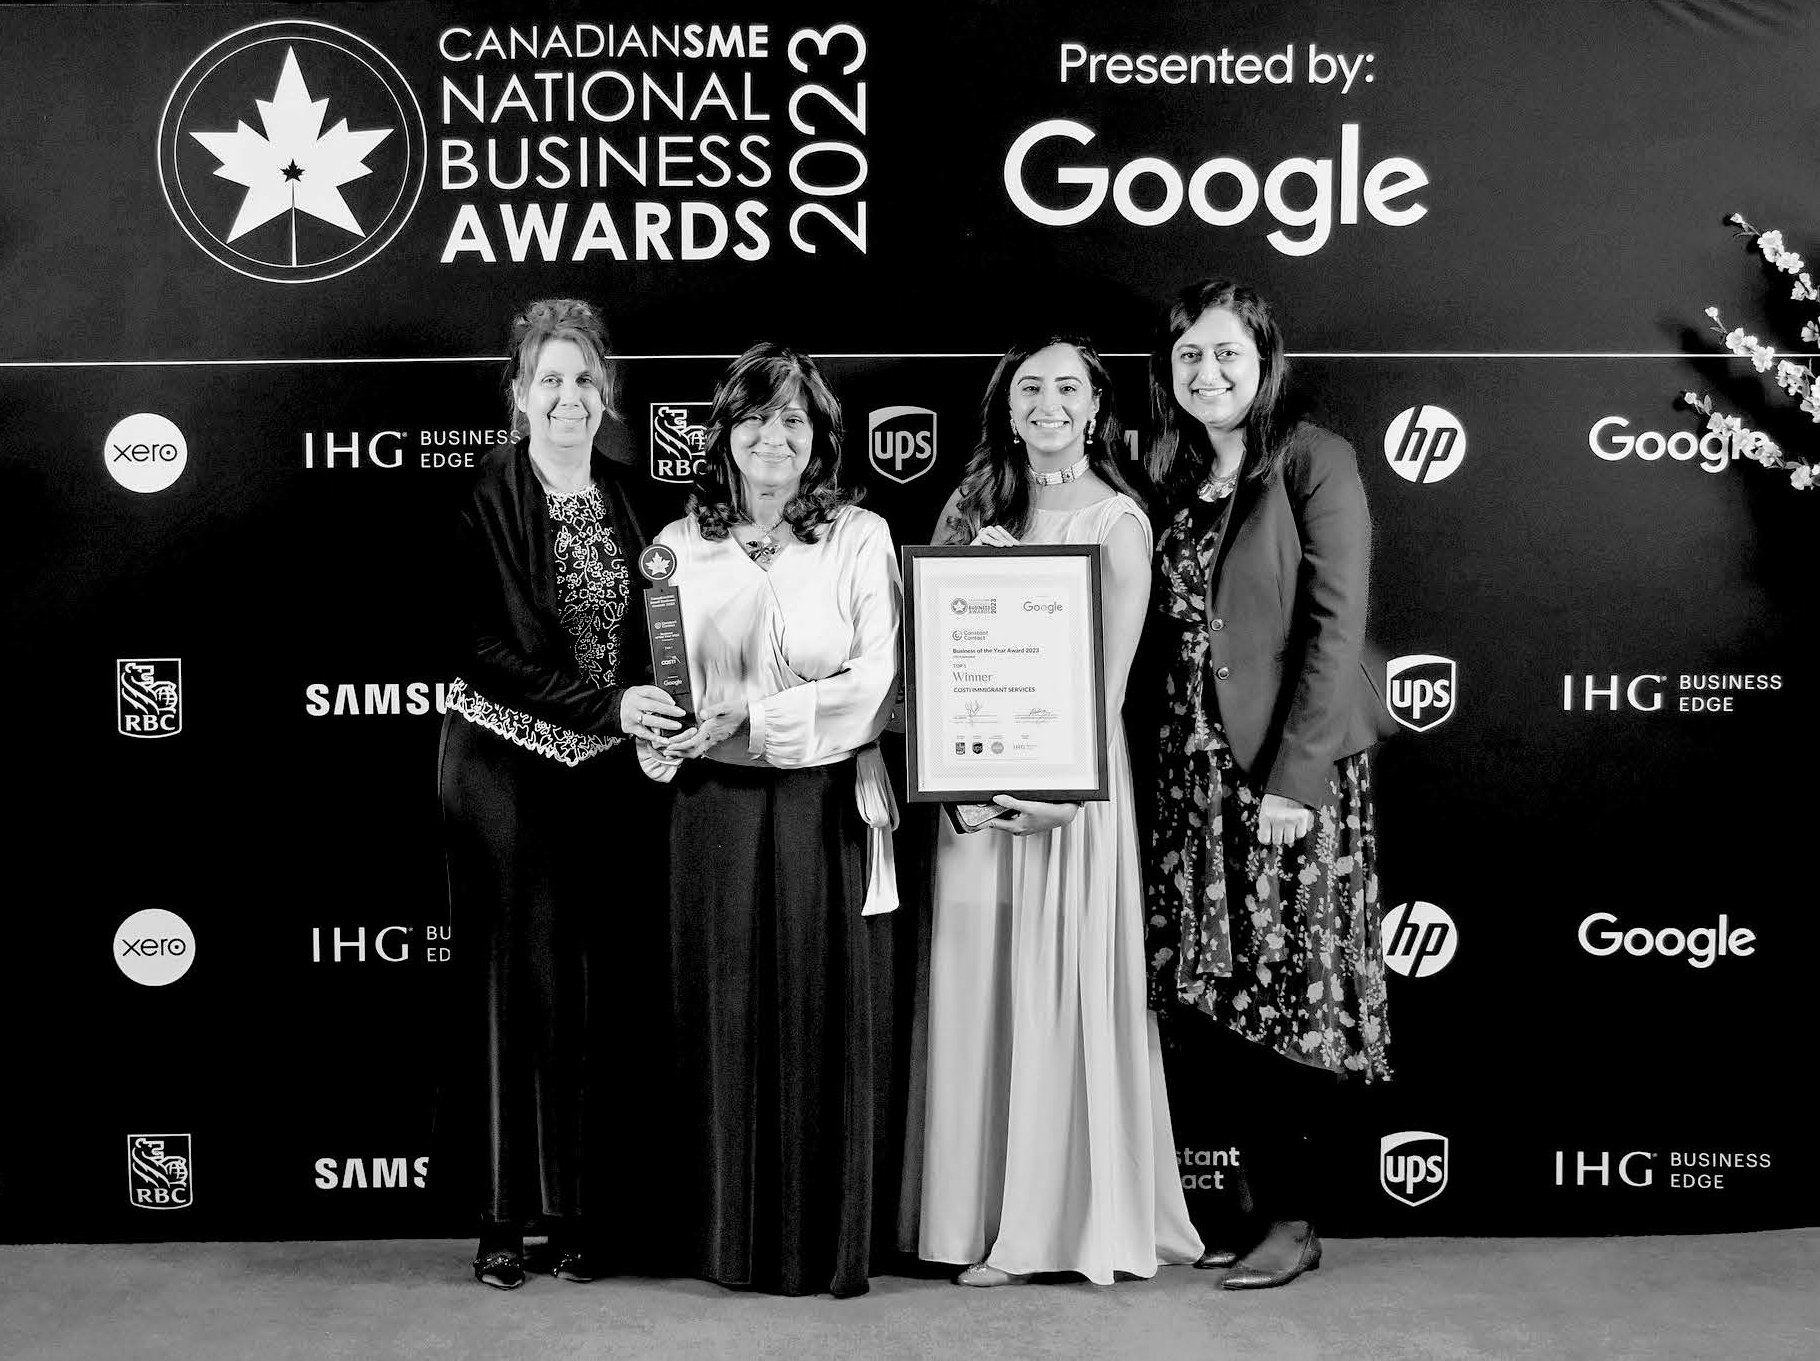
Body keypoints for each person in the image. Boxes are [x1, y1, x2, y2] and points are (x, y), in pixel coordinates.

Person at [904, 335, 1204, 1287]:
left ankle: (1041, 1228)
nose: (1046, 400)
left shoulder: (1119, 520)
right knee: (972, 987)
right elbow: (932, 655)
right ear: (1008, 403)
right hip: (970, 795)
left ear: (1094, 405)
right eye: (1029, 384)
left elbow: (1107, 686)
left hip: (1065, 797)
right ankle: (964, 1220)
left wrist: (1060, 798)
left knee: (1051, 987)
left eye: (1066, 385)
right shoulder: (970, 505)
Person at [1142, 279, 1395, 1290]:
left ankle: (1293, 1216)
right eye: (1187, 357)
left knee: (1291, 997)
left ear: (1262, 360)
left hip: (1289, 779)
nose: (1206, 372)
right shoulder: (1173, 473)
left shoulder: (1311, 459)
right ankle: (1247, 1210)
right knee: (1218, 1002)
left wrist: (1292, 779)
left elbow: (1335, 624)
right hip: (1193, 782)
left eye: (1224, 353)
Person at [636, 343, 902, 1299]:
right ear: (726, 434)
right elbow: (658, 687)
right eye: (756, 416)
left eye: (796, 419)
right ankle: (724, 1241)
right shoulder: (675, 544)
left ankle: (817, 1246)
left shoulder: (861, 537)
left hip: (821, 804)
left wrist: (759, 715)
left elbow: (877, 683)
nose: (774, 436)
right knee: (723, 1016)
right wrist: (666, 733)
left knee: (822, 1019)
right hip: (708, 808)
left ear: (820, 437)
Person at [437, 298, 685, 1289]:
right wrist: (610, 705)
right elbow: (485, 654)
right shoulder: (483, 499)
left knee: (596, 990)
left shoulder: (637, 499)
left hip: (608, 773)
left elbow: (665, 632)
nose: (568, 397)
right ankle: (502, 1218)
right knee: (510, 989)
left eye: (584, 378)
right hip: (504, 767)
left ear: (607, 393)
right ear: (516, 395)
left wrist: (663, 713)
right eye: (548, 379)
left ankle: (577, 1210)